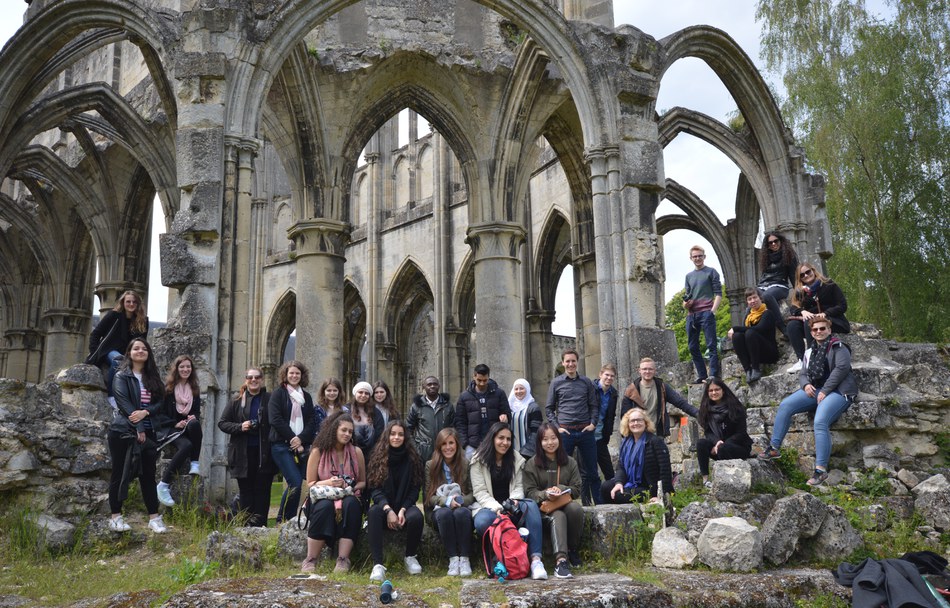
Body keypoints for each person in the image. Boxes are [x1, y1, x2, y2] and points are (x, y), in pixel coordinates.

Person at [759, 316, 857, 486]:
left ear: (829, 330)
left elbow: (841, 369)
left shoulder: (839, 347)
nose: (819, 332)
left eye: (822, 328)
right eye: (815, 329)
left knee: (820, 421)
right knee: (785, 405)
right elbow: (803, 373)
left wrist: (825, 391)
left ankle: (820, 470)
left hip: (839, 391)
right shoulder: (810, 351)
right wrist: (805, 385)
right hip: (817, 390)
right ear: (811, 332)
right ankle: (774, 448)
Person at [470, 422, 548, 580]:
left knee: (531, 505)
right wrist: (497, 508)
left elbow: (519, 487)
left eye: (508, 439)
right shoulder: (478, 460)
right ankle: (504, 556)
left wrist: (513, 502)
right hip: (489, 507)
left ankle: (535, 560)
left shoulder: (516, 459)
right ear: (492, 438)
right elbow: (480, 492)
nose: (505, 443)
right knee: (482, 521)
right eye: (500, 438)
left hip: (512, 505)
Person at [106, 338, 168, 533]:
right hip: (124, 432)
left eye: (143, 349)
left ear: (148, 353)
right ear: (129, 352)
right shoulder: (121, 375)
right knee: (119, 473)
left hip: (149, 432)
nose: (140, 351)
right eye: (136, 348)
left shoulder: (153, 377)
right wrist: (139, 427)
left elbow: (160, 403)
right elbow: (125, 405)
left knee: (148, 476)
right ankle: (115, 517)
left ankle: (154, 518)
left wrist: (146, 413)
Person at [300, 412, 366, 574]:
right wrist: (329, 482)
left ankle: (343, 559)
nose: (347, 434)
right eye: (343, 430)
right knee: (324, 507)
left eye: (350, 432)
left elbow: (363, 482)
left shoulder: (356, 452)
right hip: (324, 495)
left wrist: (348, 487)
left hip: (349, 495)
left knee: (351, 504)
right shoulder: (318, 451)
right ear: (334, 429)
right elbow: (310, 483)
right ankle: (311, 559)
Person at [366, 420, 425, 581]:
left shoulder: (412, 458)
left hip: (403, 509)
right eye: (393, 434)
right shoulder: (377, 457)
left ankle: (410, 556)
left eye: (400, 434)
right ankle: (378, 564)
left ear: (405, 437)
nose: (396, 437)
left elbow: (415, 489)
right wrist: (388, 510)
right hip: (384, 507)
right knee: (373, 513)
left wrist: (403, 509)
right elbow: (374, 489)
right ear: (387, 436)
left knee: (417, 517)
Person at [523, 423, 584, 579]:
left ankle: (572, 549)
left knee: (575, 509)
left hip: (564, 503)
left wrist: (561, 488)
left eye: (553, 438)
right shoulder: (532, 464)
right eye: (545, 439)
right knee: (558, 515)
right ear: (539, 442)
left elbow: (577, 488)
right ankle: (560, 562)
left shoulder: (570, 462)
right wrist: (545, 494)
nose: (550, 443)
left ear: (559, 439)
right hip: (543, 510)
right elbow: (529, 492)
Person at [218, 367, 274, 527]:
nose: (254, 380)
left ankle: (260, 525)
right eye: (250, 377)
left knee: (263, 490)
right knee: (246, 490)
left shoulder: (269, 399)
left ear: (262, 379)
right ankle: (246, 525)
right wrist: (240, 426)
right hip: (242, 452)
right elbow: (222, 423)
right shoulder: (237, 400)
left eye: (257, 377)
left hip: (264, 452)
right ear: (246, 380)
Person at [545, 348, 600, 505]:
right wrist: (557, 428)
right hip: (565, 432)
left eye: (573, 361)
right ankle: (561, 504)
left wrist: (593, 423)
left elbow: (594, 405)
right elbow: (549, 408)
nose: (570, 364)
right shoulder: (556, 383)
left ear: (577, 362)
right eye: (567, 361)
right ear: (563, 363)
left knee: (592, 471)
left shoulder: (586, 382)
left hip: (585, 431)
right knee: (560, 470)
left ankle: (599, 505)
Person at [268, 360, 318, 523]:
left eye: (297, 373)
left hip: (300, 446)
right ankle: (287, 518)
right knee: (295, 482)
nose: (294, 376)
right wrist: (292, 438)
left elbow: (311, 421)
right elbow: (275, 419)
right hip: (281, 445)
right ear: (285, 375)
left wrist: (301, 439)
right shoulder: (278, 394)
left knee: (294, 482)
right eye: (291, 373)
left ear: (302, 375)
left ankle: (281, 519)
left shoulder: (307, 397)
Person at [423, 428, 474, 577]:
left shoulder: (465, 464)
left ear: (457, 445)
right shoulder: (430, 465)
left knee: (462, 513)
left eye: (451, 443)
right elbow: (428, 497)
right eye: (444, 444)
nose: (448, 447)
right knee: (444, 513)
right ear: (439, 446)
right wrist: (446, 501)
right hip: (437, 510)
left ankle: (464, 558)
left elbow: (472, 494)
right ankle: (453, 558)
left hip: (460, 506)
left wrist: (459, 500)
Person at [156, 355, 203, 507]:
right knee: (187, 446)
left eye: (188, 367)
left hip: (187, 428)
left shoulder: (194, 389)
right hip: (170, 428)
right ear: (176, 369)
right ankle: (163, 485)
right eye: (182, 366)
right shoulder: (168, 389)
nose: (185, 369)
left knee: (195, 424)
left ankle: (195, 462)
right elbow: (160, 414)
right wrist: (175, 423)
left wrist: (190, 418)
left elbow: (196, 413)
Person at [787, 263, 851, 371]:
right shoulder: (801, 292)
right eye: (802, 275)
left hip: (833, 319)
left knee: (811, 322)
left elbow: (842, 305)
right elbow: (793, 308)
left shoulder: (829, 284)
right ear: (800, 278)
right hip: (813, 322)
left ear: (813, 270)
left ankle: (812, 357)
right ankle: (802, 360)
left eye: (808, 272)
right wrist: (802, 311)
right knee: (792, 325)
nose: (806, 275)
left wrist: (826, 313)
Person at [601, 408, 673, 504]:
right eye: (632, 421)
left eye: (639, 420)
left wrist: (661, 495)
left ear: (645, 422)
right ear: (628, 424)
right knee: (605, 487)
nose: (636, 423)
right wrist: (619, 483)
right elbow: (621, 466)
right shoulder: (626, 442)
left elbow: (665, 470)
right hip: (631, 483)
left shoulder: (655, 442)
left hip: (649, 488)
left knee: (619, 495)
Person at [87, 290, 148, 400]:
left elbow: (142, 342)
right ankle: (112, 397)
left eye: (134, 302)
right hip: (109, 351)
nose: (131, 304)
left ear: (138, 304)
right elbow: (95, 334)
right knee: (118, 360)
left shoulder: (143, 321)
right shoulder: (113, 315)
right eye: (128, 301)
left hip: (129, 355)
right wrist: (94, 351)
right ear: (123, 302)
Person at [621, 357, 698, 438]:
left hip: (657, 432)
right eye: (644, 369)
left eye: (650, 369)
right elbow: (624, 416)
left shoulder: (662, 387)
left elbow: (680, 402)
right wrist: (626, 435)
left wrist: (698, 413)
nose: (647, 371)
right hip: (637, 434)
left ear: (655, 370)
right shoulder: (631, 390)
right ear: (639, 371)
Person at [696, 379, 752, 488]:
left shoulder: (735, 408)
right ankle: (706, 480)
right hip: (719, 445)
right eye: (711, 390)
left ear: (723, 390)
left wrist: (721, 444)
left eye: (717, 389)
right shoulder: (706, 410)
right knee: (701, 443)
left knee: (723, 448)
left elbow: (741, 433)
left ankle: (725, 481)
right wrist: (716, 442)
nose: (714, 393)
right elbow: (708, 432)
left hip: (738, 446)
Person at [683, 245, 722, 382]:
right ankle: (702, 375)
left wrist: (713, 311)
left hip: (707, 312)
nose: (697, 258)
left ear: (704, 256)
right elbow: (686, 298)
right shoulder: (688, 276)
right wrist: (686, 304)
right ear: (691, 258)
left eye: (700, 255)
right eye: (695, 256)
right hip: (692, 315)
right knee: (692, 346)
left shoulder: (711, 272)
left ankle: (713, 374)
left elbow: (718, 293)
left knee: (711, 344)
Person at [455, 363, 510, 458]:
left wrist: (505, 417)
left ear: (489, 377)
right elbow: (460, 422)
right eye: (479, 380)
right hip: (472, 445)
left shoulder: (499, 393)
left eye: (485, 380)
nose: (482, 383)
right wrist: (465, 444)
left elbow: (507, 414)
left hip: (494, 443)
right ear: (474, 376)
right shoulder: (464, 396)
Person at [728, 288, 779, 383]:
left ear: (760, 298)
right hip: (753, 352)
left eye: (755, 297)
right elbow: (742, 333)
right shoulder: (749, 317)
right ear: (747, 302)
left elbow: (759, 329)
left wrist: (735, 328)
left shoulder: (767, 313)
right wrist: (737, 332)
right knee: (737, 336)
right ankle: (748, 370)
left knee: (750, 333)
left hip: (769, 353)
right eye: (749, 299)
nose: (753, 301)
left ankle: (756, 369)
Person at [756, 231, 799, 337]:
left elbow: (794, 277)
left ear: (781, 241)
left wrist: (799, 294)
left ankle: (782, 327)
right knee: (752, 298)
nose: (773, 244)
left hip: (780, 286)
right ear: (767, 245)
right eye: (770, 243)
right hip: (763, 285)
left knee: (767, 296)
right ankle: (748, 329)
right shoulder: (766, 258)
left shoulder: (789, 255)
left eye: (776, 241)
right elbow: (764, 276)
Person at [406, 376, 455, 462]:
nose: (432, 386)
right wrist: (416, 449)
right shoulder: (416, 406)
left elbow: (454, 428)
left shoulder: (448, 406)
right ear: (424, 387)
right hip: (423, 453)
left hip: (444, 450)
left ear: (439, 386)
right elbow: (408, 429)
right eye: (429, 384)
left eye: (435, 384)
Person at [593, 364, 619, 480]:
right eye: (606, 375)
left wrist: (608, 433)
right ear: (600, 375)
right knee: (588, 472)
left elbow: (611, 415)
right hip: (587, 435)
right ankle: (587, 498)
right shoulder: (591, 388)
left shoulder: (613, 393)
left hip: (601, 436)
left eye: (612, 376)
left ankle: (611, 497)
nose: (609, 378)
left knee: (609, 471)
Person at [508, 378, 543, 458]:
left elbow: (536, 432)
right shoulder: (508, 407)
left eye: (522, 388)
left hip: (528, 452)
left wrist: (526, 451)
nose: (519, 391)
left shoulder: (533, 407)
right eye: (516, 389)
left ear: (527, 389)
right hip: (510, 451)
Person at [349, 381, 384, 458]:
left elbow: (379, 433)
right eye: (360, 392)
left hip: (370, 453)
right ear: (355, 393)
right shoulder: (346, 409)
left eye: (366, 393)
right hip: (350, 451)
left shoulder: (376, 412)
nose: (363, 395)